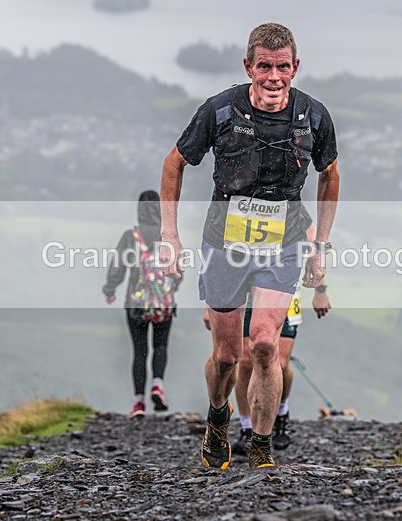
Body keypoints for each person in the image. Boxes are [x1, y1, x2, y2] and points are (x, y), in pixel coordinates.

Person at [159, 23, 340, 469]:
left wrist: (321, 248)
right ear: (249, 66)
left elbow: (330, 175)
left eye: (282, 67)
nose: (274, 76)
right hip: (225, 243)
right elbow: (173, 163)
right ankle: (218, 418)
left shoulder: (313, 116)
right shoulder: (220, 111)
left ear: (295, 68)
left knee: (263, 344)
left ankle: (261, 446)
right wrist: (170, 237)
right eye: (264, 66)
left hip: (285, 242)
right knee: (226, 355)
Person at [204, 215, 332, 456]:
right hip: (245, 290)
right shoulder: (239, 199)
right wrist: (210, 306)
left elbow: (315, 249)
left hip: (284, 288)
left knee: (280, 362)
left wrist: (321, 289)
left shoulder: (293, 206)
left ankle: (280, 413)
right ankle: (245, 427)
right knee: (242, 362)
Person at [103, 190, 180, 418]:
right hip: (163, 303)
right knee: (161, 346)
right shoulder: (168, 237)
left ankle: (138, 403)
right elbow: (178, 271)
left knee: (139, 351)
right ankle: (158, 385)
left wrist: (110, 289)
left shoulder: (131, 236)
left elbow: (118, 266)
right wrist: (169, 288)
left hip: (135, 303)